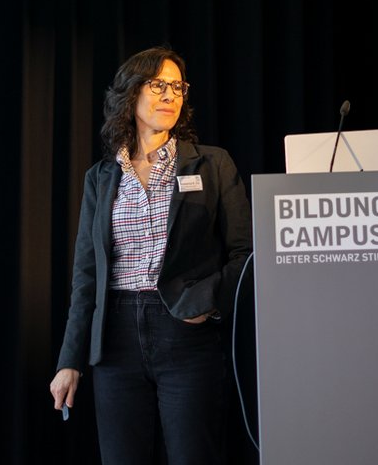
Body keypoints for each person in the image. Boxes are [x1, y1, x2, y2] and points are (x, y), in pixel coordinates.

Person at [49, 47, 252, 465]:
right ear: (130, 93)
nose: (170, 95)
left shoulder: (211, 164)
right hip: (116, 339)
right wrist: (69, 360)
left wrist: (208, 300)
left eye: (177, 86)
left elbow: (244, 253)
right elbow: (86, 276)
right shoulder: (102, 177)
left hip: (186, 336)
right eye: (158, 84)